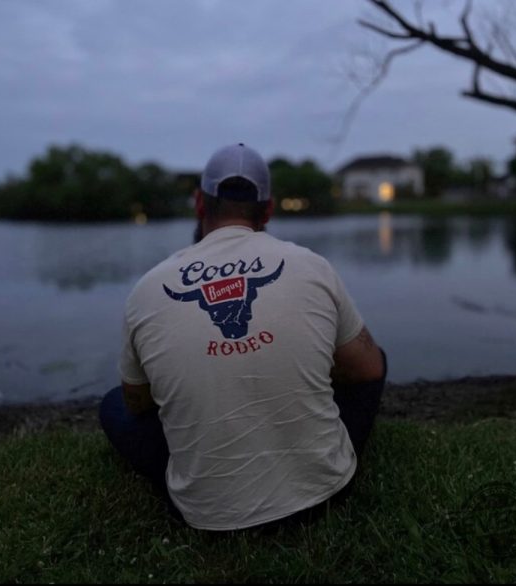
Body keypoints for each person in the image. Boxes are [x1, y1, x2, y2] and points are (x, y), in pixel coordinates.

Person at [99, 143, 387, 531]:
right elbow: (369, 369)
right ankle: (317, 456)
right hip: (327, 494)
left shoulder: (147, 289)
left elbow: (137, 403)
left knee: (114, 404)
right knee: (371, 358)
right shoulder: (311, 265)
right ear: (267, 210)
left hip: (209, 516)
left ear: (200, 203)